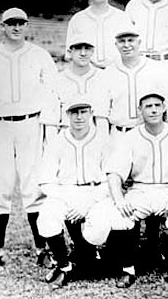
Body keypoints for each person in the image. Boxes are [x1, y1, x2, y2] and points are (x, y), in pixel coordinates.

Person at [82, 89, 168, 288]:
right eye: (148, 106)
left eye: (158, 105)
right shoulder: (130, 136)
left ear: (165, 108)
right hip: (140, 190)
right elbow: (115, 172)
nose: (154, 110)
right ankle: (128, 269)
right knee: (121, 216)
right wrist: (119, 199)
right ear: (140, 110)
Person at [0, 7, 58, 267]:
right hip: (0, 125)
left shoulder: (40, 55)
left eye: (20, 23)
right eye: (10, 23)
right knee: (0, 187)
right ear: (2, 25)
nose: (16, 27)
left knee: (33, 186)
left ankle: (41, 248)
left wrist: (49, 128)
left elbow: (52, 90)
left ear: (27, 25)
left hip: (31, 123)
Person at [37, 98, 109, 288]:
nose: (79, 117)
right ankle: (65, 265)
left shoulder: (103, 139)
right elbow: (45, 180)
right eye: (74, 112)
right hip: (65, 192)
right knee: (45, 219)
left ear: (91, 113)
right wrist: (67, 199)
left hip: (96, 191)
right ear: (67, 115)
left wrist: (87, 203)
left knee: (99, 230)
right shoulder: (57, 141)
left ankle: (80, 258)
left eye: (83, 111)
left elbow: (111, 180)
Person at [65, 0, 132, 68]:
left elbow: (132, 51)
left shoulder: (122, 18)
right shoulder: (78, 19)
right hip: (88, 72)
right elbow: (70, 55)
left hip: (117, 71)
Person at [52, 35, 109, 132]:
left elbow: (102, 119)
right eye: (78, 48)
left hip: (94, 136)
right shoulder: (58, 79)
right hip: (66, 137)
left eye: (87, 48)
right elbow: (51, 120)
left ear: (92, 51)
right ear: (70, 52)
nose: (83, 53)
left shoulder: (103, 77)